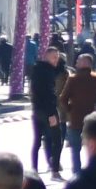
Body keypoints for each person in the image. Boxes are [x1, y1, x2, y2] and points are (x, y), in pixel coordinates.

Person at [27, 43, 70, 177]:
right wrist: (51, 113)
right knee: (57, 140)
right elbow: (47, 94)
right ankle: (55, 170)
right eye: (53, 57)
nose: (56, 60)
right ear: (46, 57)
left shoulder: (39, 69)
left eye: (57, 57)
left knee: (37, 141)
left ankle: (34, 169)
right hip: (47, 110)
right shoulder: (45, 73)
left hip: (37, 110)